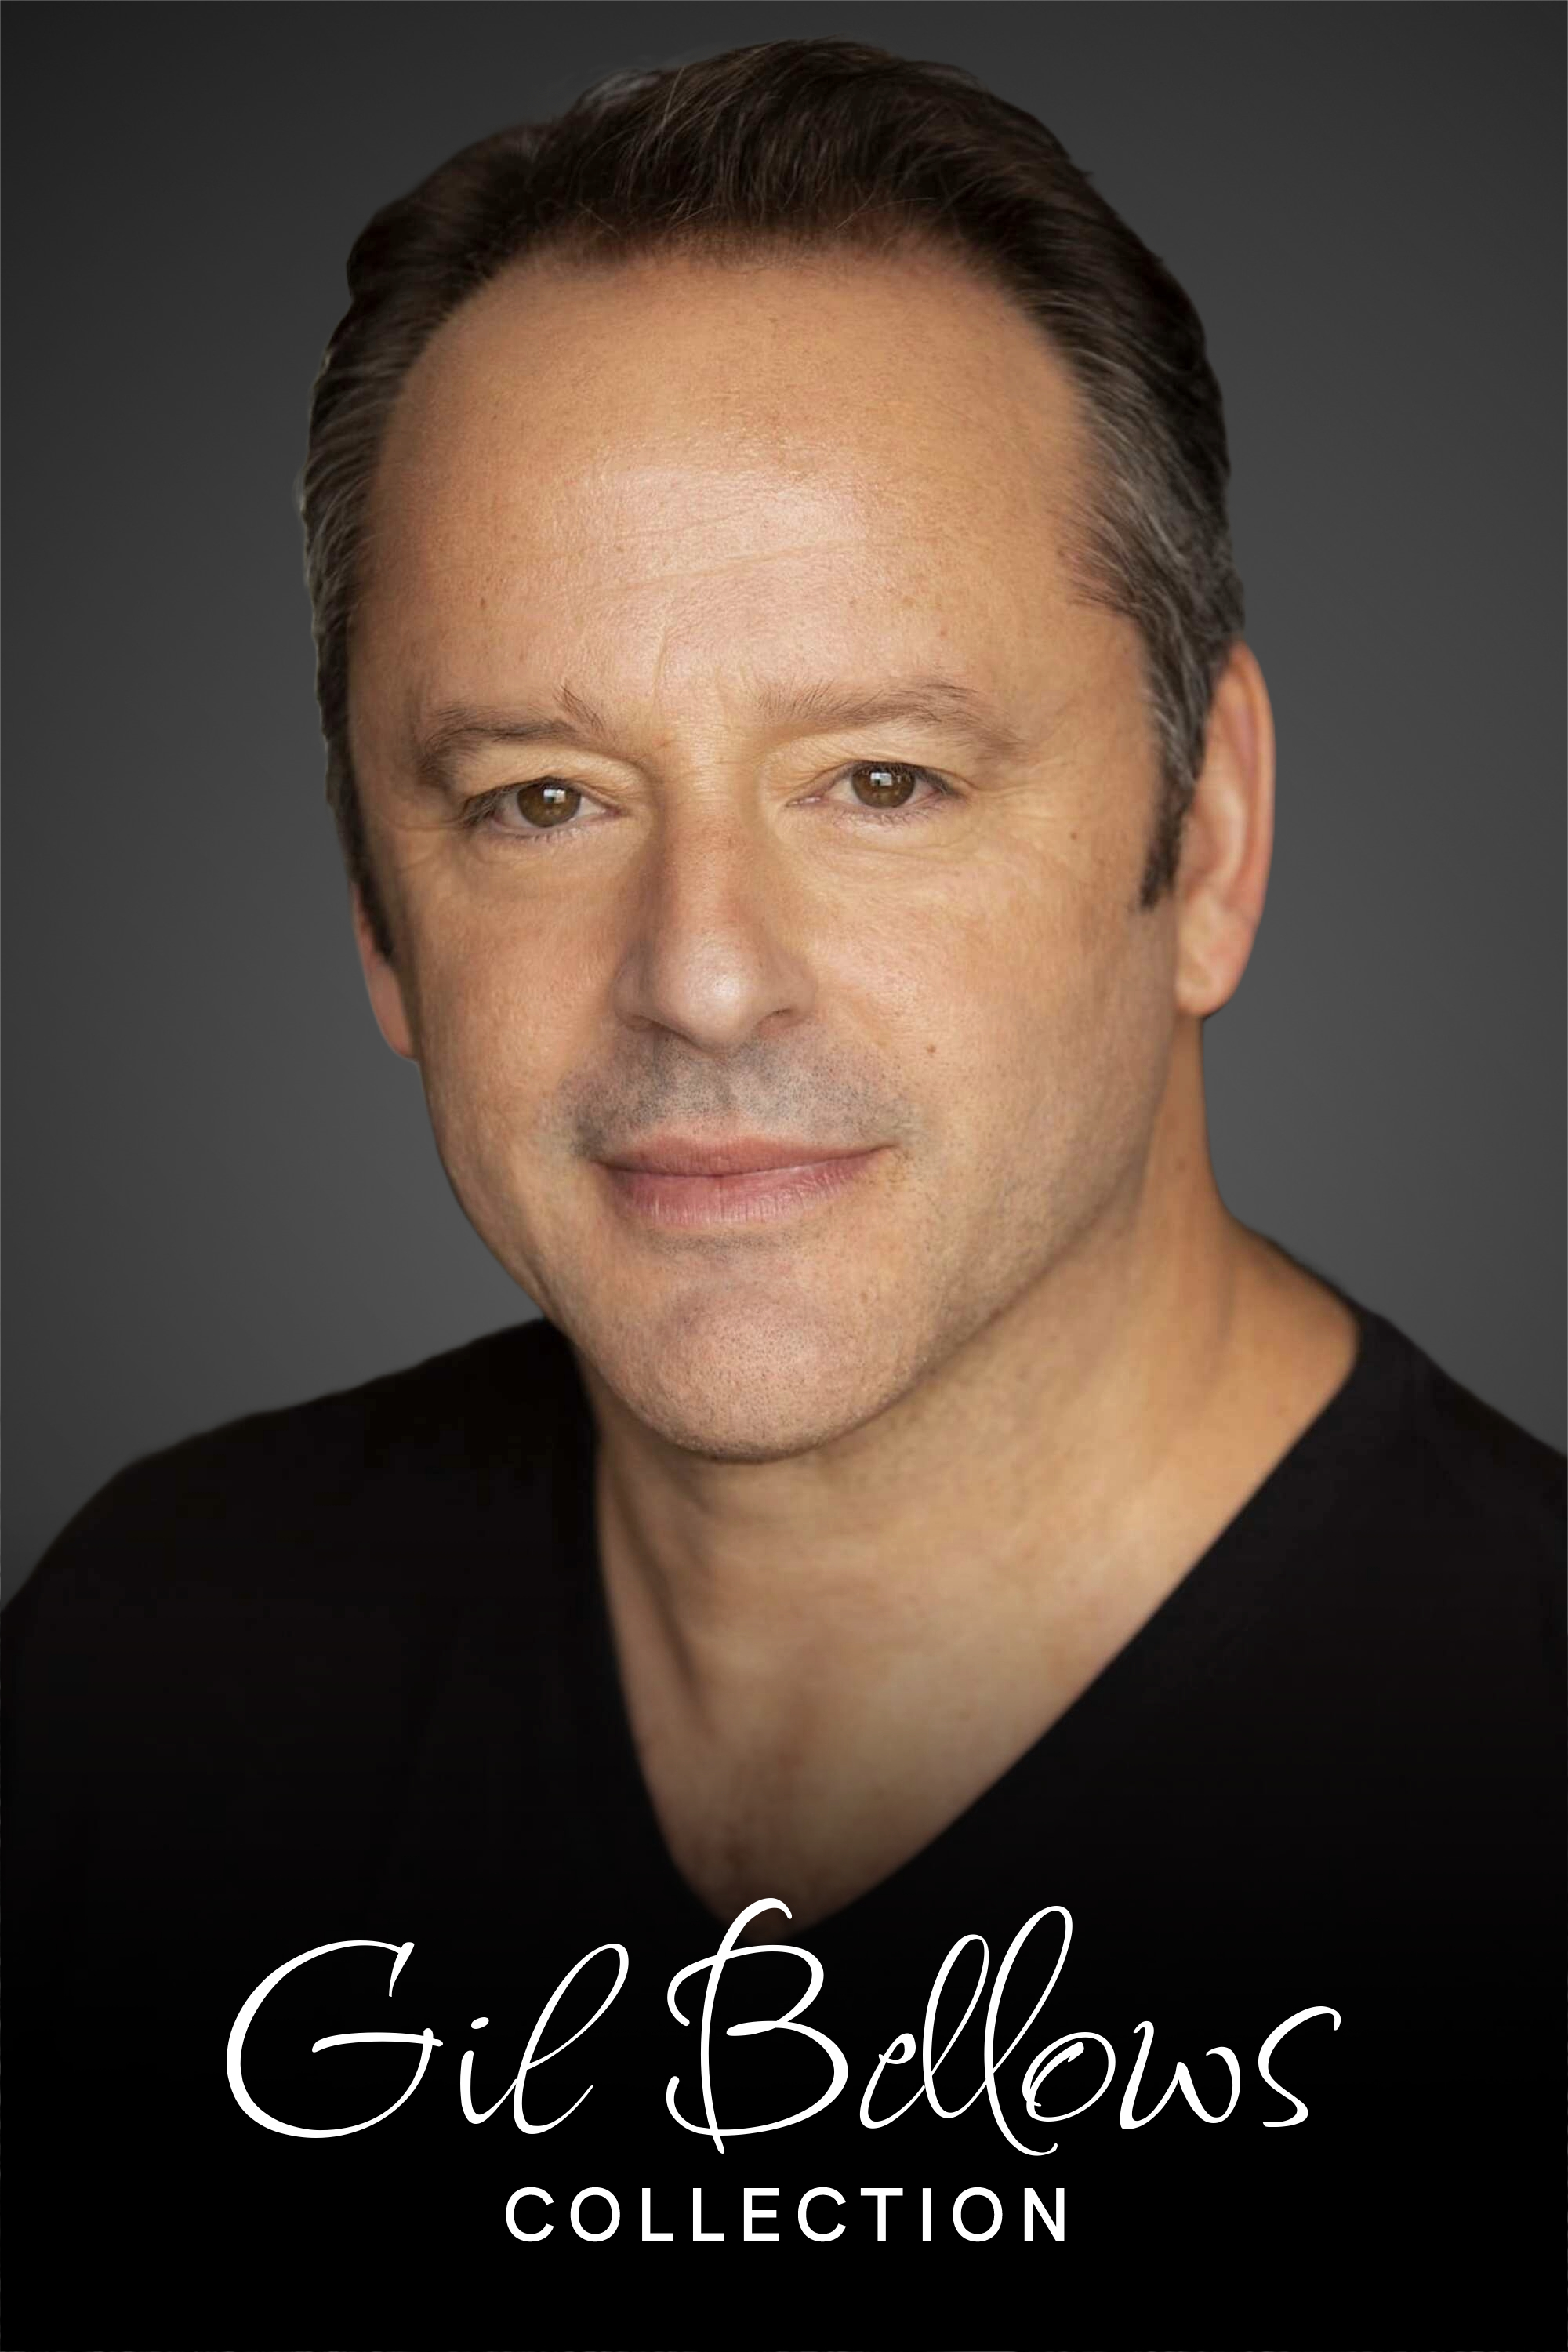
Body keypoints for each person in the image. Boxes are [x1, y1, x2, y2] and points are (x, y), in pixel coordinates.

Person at [5, 38, 1561, 2352]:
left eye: (883, 779)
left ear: (1209, 834)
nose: (704, 972)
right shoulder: (153, 1682)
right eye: (542, 800)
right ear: (379, 918)